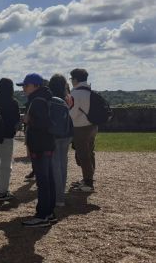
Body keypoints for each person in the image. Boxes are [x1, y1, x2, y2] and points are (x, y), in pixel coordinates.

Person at [18, 73, 56, 227]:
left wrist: (28, 119)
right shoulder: (48, 97)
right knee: (49, 180)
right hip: (48, 143)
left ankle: (42, 215)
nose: (24, 89)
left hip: (40, 144)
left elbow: (42, 124)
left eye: (26, 85)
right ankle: (49, 213)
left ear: (36, 86)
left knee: (43, 182)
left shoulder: (37, 101)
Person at [0, 78, 20, 201]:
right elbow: (16, 121)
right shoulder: (13, 102)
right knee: (6, 164)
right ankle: (2, 191)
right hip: (7, 136)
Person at [69, 68, 97, 192]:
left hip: (80, 127)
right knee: (90, 152)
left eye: (71, 79)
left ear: (75, 79)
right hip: (93, 126)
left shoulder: (75, 93)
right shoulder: (90, 91)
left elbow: (72, 114)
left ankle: (88, 182)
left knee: (83, 155)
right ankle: (89, 178)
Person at [49, 74, 73, 206]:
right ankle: (61, 194)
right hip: (67, 131)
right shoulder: (68, 97)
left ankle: (57, 197)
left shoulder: (50, 97)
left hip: (54, 133)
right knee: (63, 164)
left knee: (55, 164)